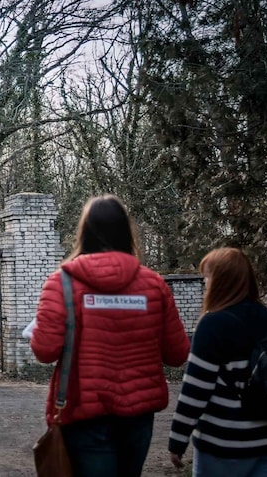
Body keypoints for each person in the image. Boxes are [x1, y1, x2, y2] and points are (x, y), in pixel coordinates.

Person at [30, 194, 191, 476]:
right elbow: (177, 354)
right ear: (126, 232)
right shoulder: (154, 285)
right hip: (138, 416)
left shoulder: (62, 284)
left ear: (84, 232)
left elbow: (44, 350)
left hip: (83, 414)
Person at [168, 247, 267, 476]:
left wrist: (178, 440)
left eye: (207, 277)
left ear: (221, 282)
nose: (205, 284)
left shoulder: (212, 325)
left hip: (225, 445)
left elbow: (196, 390)